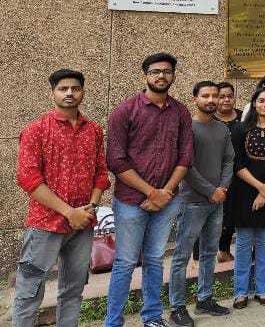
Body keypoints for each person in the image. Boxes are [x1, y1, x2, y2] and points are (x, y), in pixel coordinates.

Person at [14, 69, 108, 327]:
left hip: (83, 223)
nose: (69, 93)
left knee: (73, 289)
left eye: (75, 88)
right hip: (45, 223)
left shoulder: (93, 130)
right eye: (63, 88)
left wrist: (91, 207)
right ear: (52, 93)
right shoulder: (36, 130)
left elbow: (101, 173)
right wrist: (69, 212)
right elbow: (28, 179)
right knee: (29, 292)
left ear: (83, 92)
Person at [105, 53, 193, 327]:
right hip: (131, 201)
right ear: (144, 76)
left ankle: (152, 317)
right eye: (155, 71)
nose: (161, 76)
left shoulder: (180, 112)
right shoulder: (124, 111)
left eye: (167, 71)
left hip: (167, 200)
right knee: (125, 262)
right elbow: (116, 161)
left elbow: (185, 157)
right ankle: (113, 322)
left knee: (154, 259)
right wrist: (151, 192)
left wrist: (164, 192)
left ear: (173, 76)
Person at [168, 81, 234, 325]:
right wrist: (210, 191)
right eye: (205, 96)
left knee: (209, 253)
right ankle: (177, 307)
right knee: (182, 256)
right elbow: (186, 166)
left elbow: (229, 160)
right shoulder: (187, 128)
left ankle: (204, 299)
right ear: (194, 98)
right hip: (192, 202)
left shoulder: (221, 128)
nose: (211, 100)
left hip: (217, 201)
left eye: (214, 96)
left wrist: (222, 189)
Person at [229, 87, 265, 309]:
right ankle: (240, 292)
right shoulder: (240, 129)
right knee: (243, 243)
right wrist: (259, 188)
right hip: (244, 191)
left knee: (264, 242)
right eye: (261, 100)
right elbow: (237, 163)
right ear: (254, 103)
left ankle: (263, 290)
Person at [215, 81, 241, 264]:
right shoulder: (209, 118)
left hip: (241, 173)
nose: (226, 100)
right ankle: (198, 257)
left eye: (229, 96)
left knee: (233, 213)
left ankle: (224, 251)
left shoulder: (244, 116)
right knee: (215, 215)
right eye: (222, 96)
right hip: (215, 175)